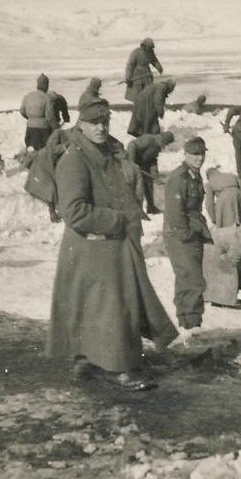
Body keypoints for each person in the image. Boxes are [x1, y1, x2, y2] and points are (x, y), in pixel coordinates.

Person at [47, 98, 177, 391]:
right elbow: (73, 211)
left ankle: (86, 360)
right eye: (95, 122)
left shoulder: (100, 152)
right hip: (93, 245)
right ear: (81, 124)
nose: (101, 127)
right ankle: (119, 367)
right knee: (114, 306)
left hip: (106, 245)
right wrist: (116, 220)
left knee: (96, 308)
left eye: (105, 121)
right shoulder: (75, 160)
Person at [163, 137, 213, 329]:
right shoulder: (179, 178)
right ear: (185, 155)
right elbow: (175, 212)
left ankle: (186, 323)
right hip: (181, 237)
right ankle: (192, 324)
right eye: (195, 154)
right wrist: (187, 235)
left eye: (202, 154)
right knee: (193, 281)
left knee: (186, 279)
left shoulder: (194, 175)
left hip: (191, 234)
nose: (200, 158)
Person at [23, 125, 72, 223]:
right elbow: (51, 148)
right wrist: (66, 145)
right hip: (44, 160)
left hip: (53, 162)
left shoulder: (75, 139)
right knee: (51, 186)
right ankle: (52, 213)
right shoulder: (58, 132)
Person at [125, 130, 175, 215]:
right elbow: (132, 145)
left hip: (141, 166)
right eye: (167, 144)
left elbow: (152, 161)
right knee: (136, 187)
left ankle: (151, 207)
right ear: (164, 141)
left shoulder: (157, 147)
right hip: (131, 165)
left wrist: (156, 177)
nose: (166, 147)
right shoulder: (149, 139)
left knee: (149, 184)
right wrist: (131, 163)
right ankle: (135, 211)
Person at [19, 73, 68, 150]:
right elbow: (50, 117)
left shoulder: (27, 96)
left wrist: (31, 119)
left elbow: (22, 111)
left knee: (31, 150)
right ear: (46, 85)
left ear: (37, 85)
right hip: (42, 131)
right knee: (43, 151)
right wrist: (56, 128)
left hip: (30, 129)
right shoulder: (46, 98)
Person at [124, 37, 163, 102]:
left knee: (148, 92)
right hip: (137, 75)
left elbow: (154, 60)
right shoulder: (135, 52)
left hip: (147, 74)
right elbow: (130, 65)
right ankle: (138, 107)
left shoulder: (151, 52)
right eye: (149, 47)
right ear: (143, 46)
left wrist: (159, 67)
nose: (150, 49)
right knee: (137, 94)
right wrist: (128, 77)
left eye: (151, 47)